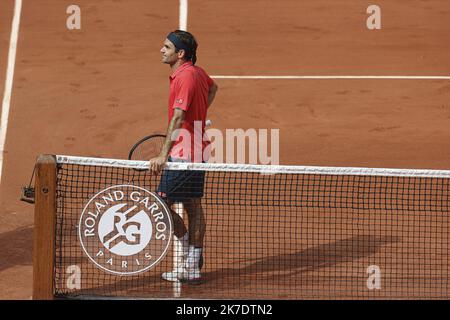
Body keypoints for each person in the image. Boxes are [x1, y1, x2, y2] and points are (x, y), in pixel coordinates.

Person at [149, 30, 218, 282]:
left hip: (183, 153)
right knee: (192, 204)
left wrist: (162, 154)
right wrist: (198, 114)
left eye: (167, 46)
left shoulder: (186, 76)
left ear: (180, 53)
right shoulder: (197, 73)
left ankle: (189, 248)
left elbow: (178, 116)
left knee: (160, 203)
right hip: (198, 150)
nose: (161, 49)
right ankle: (192, 262)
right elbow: (213, 88)